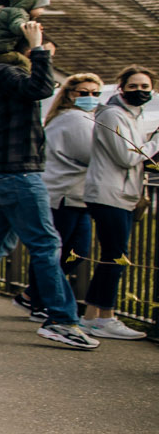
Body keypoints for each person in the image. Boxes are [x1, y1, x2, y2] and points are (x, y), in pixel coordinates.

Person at [0, 20, 97, 348]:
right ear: (22, 50)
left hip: (3, 175)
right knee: (45, 245)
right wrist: (40, 50)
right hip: (20, 174)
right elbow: (42, 89)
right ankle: (61, 319)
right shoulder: (9, 74)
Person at [78, 66, 157, 340]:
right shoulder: (113, 114)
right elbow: (126, 157)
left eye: (145, 87)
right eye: (134, 86)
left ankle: (91, 317)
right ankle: (106, 317)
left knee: (112, 256)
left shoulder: (132, 116)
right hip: (108, 194)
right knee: (116, 257)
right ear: (121, 87)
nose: (140, 91)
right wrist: (155, 143)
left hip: (120, 195)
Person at [20, 74, 102, 318]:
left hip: (74, 194)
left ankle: (33, 295)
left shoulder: (69, 118)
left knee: (72, 251)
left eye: (95, 93)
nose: (90, 98)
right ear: (70, 94)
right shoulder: (75, 119)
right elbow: (92, 154)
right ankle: (39, 301)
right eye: (84, 92)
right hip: (64, 194)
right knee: (60, 251)